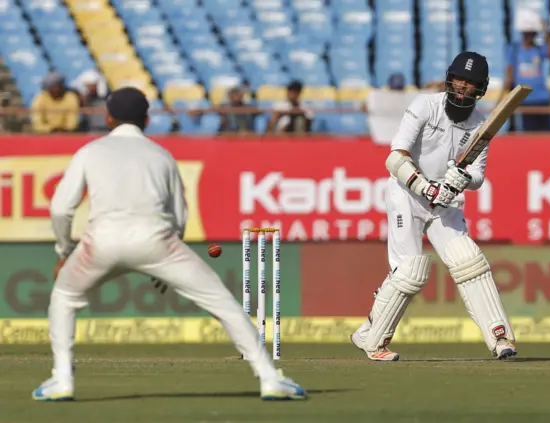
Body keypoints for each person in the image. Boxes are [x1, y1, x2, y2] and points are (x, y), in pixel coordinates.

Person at [32, 87, 307, 402]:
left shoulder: (89, 151)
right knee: (224, 303)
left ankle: (62, 379)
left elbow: (60, 209)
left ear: (107, 117)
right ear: (147, 120)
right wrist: (166, 262)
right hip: (158, 241)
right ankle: (270, 378)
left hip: (101, 242)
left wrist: (64, 253)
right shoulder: (161, 155)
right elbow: (178, 215)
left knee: (64, 298)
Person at [350, 52, 516, 361]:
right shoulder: (425, 106)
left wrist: (462, 178)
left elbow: (478, 175)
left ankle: (500, 337)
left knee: (470, 262)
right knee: (410, 271)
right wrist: (425, 186)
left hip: (446, 201)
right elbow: (394, 158)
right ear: (449, 78)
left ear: (480, 89)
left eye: (471, 84)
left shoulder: (480, 124)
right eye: (459, 80)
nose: (462, 87)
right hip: (407, 194)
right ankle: (372, 340)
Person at [503, 17, 550, 131]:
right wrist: (501, 98)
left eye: (533, 33)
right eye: (527, 33)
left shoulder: (538, 49)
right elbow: (509, 74)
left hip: (542, 98)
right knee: (529, 135)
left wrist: (546, 31)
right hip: (525, 100)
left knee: (545, 135)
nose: (530, 36)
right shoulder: (515, 49)